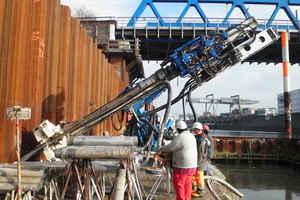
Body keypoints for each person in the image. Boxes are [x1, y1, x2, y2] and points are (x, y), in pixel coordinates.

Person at [160, 120, 197, 200]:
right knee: (187, 184)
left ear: (178, 129)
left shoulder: (180, 137)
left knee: (180, 185)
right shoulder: (191, 136)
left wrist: (161, 148)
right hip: (192, 165)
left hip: (182, 166)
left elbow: (170, 148)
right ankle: (187, 198)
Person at [190, 122, 210, 198]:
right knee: (194, 174)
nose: (193, 131)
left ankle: (200, 190)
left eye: (194, 130)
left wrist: (197, 162)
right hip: (199, 160)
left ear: (198, 129)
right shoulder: (199, 137)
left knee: (199, 175)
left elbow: (200, 152)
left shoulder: (201, 139)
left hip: (199, 160)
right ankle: (195, 187)